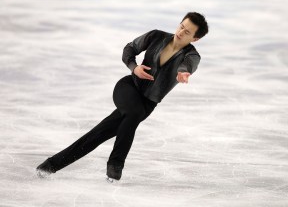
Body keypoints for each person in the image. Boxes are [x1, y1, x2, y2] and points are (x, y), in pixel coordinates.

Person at [36, 12, 209, 182]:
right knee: (132, 115)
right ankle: (115, 164)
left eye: (187, 32)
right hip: (128, 87)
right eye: (181, 26)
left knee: (98, 134)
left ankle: (50, 165)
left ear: (195, 39)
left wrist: (183, 73)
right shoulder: (156, 36)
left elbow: (188, 65)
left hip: (147, 104)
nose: (180, 32)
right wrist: (134, 67)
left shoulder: (191, 55)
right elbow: (130, 48)